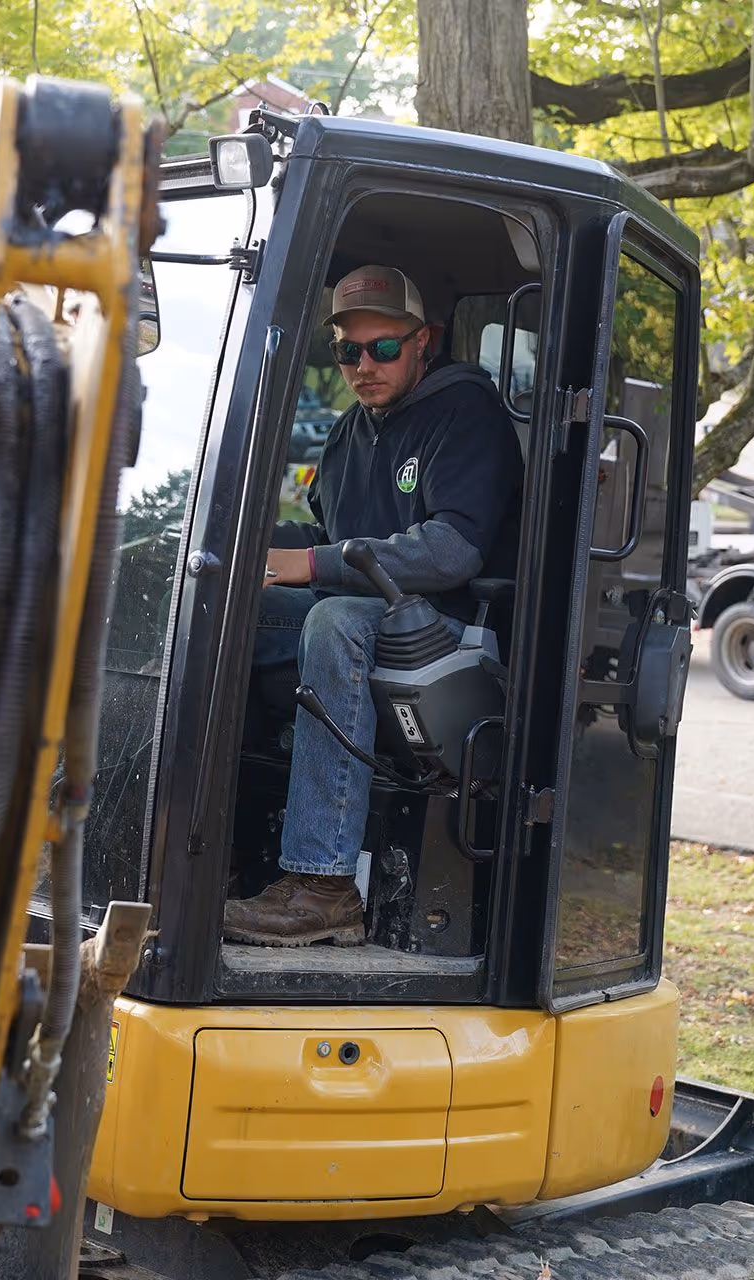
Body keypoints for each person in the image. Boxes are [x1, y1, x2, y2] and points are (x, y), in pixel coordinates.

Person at [223, 264, 523, 947]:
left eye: (384, 348)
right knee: (213, 605)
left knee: (333, 621)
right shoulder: (346, 435)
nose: (364, 366)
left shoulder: (467, 415)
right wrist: (242, 549)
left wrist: (315, 564)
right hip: (371, 619)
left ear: (427, 340)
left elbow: (452, 550)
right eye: (347, 351)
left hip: (450, 634)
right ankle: (205, 837)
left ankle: (324, 887)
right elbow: (327, 538)